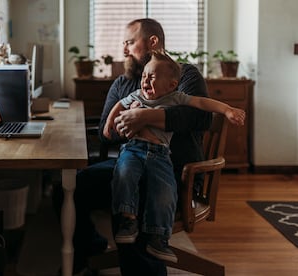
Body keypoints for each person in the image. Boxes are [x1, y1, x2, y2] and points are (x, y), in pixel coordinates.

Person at [53, 18, 213, 275]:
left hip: (175, 170)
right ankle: (91, 249)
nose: (124, 50)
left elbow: (201, 117)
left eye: (129, 42)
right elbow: (106, 132)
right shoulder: (123, 84)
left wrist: (146, 117)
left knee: (134, 198)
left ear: (152, 42)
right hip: (130, 162)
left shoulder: (184, 75)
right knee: (68, 188)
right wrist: (128, 122)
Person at [103, 51, 245, 263]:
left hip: (160, 155)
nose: (145, 81)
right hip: (133, 150)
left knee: (165, 191)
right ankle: (128, 220)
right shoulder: (136, 96)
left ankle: (159, 239)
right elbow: (118, 105)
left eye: (152, 77)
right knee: (124, 175)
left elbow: (203, 104)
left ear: (171, 85)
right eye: (144, 77)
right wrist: (108, 124)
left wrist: (227, 110)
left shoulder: (175, 98)